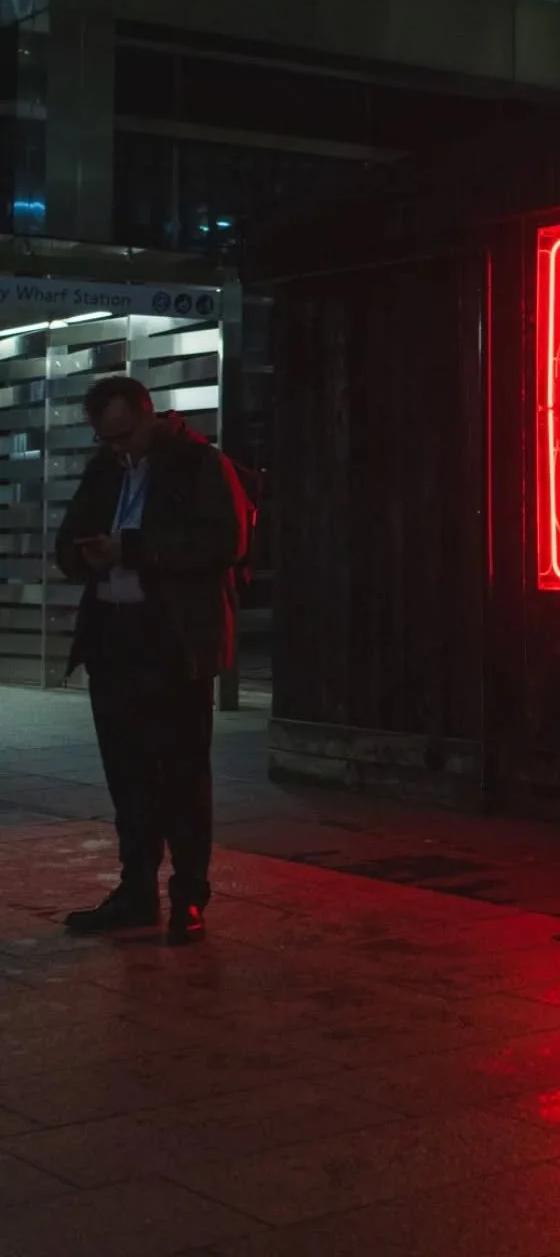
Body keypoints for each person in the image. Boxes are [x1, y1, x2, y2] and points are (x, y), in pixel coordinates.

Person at [56, 376, 249, 943]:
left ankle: (189, 895)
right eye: (105, 438)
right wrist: (83, 556)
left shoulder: (199, 464)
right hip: (113, 639)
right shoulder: (106, 466)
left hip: (172, 640)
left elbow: (225, 542)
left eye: (123, 434)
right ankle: (136, 890)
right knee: (128, 773)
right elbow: (67, 538)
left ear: (148, 416)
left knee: (183, 772)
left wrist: (133, 550)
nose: (117, 447)